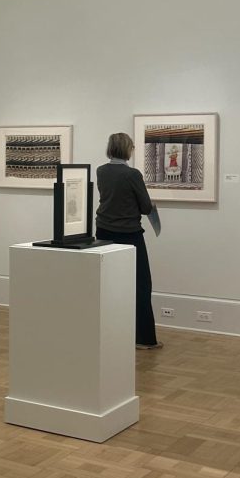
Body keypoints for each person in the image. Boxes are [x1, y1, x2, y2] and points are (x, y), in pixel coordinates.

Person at [96, 132, 161, 350]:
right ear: (128, 149)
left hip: (104, 232)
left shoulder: (101, 171)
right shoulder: (132, 174)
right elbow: (144, 207)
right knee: (141, 285)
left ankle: (112, 334)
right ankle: (144, 338)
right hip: (129, 235)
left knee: (109, 284)